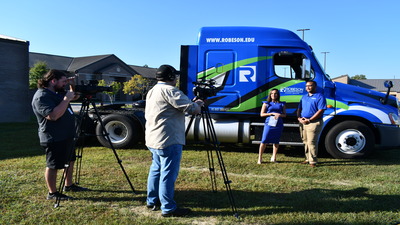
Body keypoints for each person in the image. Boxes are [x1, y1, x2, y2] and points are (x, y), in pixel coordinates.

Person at [145, 64, 204, 217]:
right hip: (168, 139)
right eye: (175, 76)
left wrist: (191, 103)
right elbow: (193, 110)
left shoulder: (153, 90)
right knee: (167, 174)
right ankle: (168, 208)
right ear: (171, 77)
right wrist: (198, 103)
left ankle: (152, 200)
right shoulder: (170, 90)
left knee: (156, 170)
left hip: (154, 138)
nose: (177, 79)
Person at [32, 69, 88, 201]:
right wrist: (66, 99)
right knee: (53, 165)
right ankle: (52, 193)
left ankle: (69, 185)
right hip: (53, 137)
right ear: (53, 81)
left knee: (70, 160)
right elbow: (53, 115)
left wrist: (71, 84)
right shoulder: (42, 96)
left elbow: (75, 96)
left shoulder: (56, 92)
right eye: (63, 81)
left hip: (66, 135)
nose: (65, 84)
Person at [297, 80, 327, 168]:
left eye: (310, 86)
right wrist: (299, 118)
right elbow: (299, 109)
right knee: (305, 141)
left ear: (315, 86)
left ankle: (313, 161)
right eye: (306, 86)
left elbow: (320, 110)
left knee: (311, 142)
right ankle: (307, 158)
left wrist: (309, 120)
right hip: (303, 123)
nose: (308, 87)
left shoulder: (320, 97)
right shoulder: (304, 97)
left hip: (313, 122)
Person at [257, 89, 286, 164]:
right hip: (269, 123)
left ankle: (274, 157)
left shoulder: (282, 104)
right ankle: (260, 158)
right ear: (270, 95)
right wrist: (271, 114)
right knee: (264, 140)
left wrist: (279, 115)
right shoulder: (266, 103)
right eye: (272, 93)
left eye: (275, 93)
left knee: (276, 141)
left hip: (278, 123)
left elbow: (284, 114)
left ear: (278, 95)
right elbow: (262, 114)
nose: (274, 95)